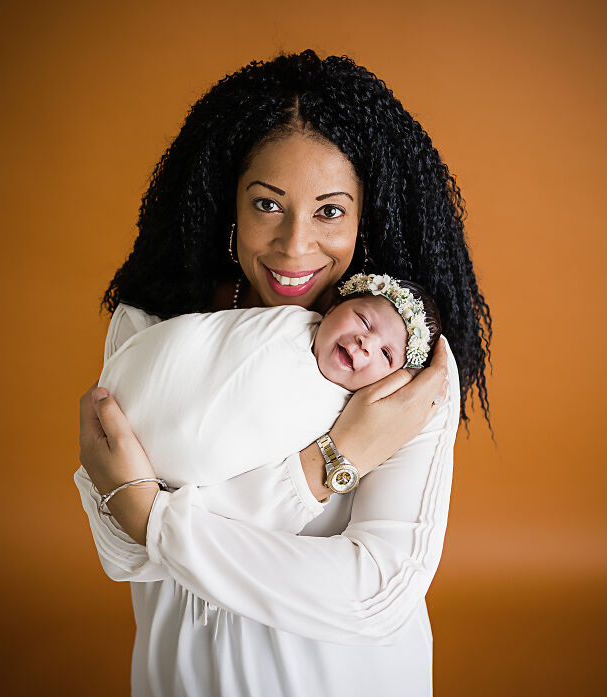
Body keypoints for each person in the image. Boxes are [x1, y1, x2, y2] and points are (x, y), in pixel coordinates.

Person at [76, 50, 492, 697]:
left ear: (366, 213)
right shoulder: (151, 323)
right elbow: (122, 552)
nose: (295, 246)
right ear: (228, 204)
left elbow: (374, 593)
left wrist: (157, 518)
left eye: (330, 211)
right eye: (268, 204)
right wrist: (334, 459)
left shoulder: (399, 357)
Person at [88, 274, 442, 519]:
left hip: (170, 479)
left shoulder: (351, 412)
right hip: (128, 407)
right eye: (363, 321)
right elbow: (214, 344)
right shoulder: (287, 323)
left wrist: (143, 513)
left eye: (386, 355)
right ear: (333, 309)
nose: (367, 343)